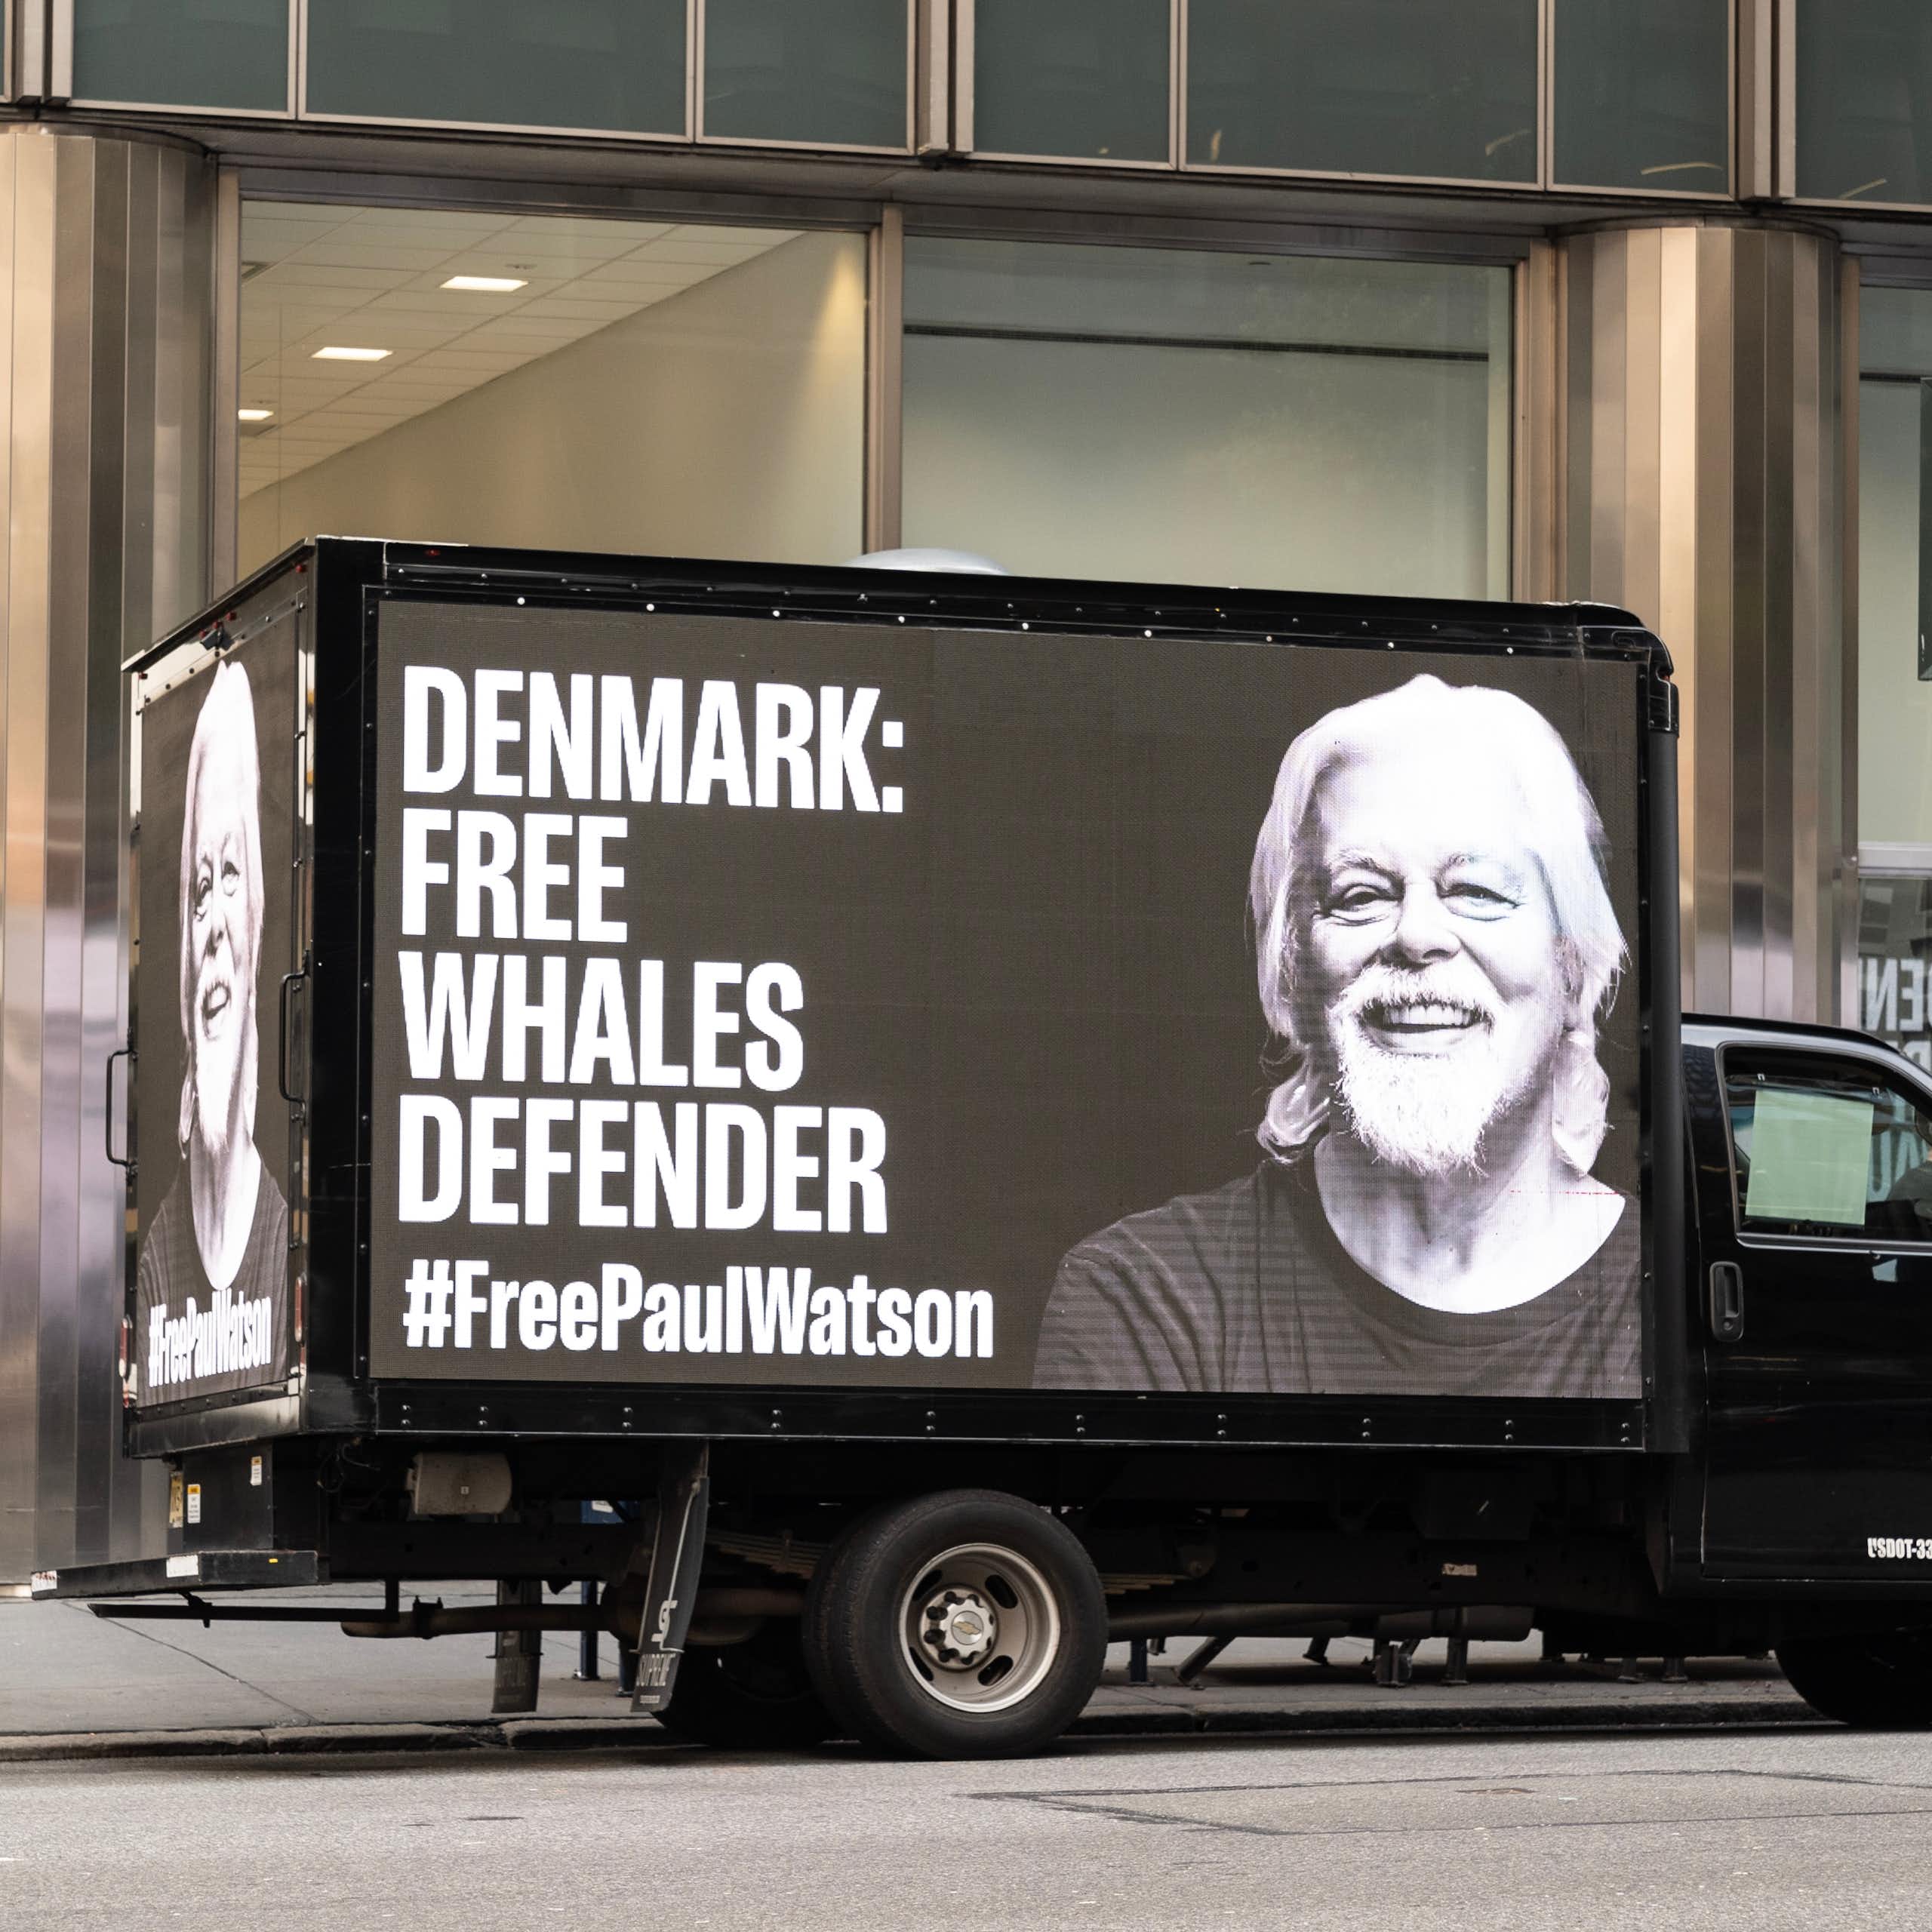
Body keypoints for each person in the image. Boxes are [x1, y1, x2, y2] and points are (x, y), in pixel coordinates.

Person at [1034, 673, 1638, 1398]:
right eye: (1361, 895)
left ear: (1575, 964)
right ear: (1294, 975)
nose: (1416, 935)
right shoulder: (1149, 1296)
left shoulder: (1668, 1306)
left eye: (1476, 891)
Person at [136, 658, 288, 1394]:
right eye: (200, 889)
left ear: (258, 917)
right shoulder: (157, 1263)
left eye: (232, 877)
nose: (217, 926)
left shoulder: (283, 1246)